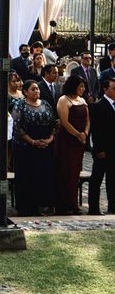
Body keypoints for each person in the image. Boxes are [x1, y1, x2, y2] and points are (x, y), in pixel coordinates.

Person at [11, 79, 56, 216]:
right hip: (25, 147)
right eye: (33, 89)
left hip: (45, 146)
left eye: (37, 89)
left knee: (42, 176)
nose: (37, 91)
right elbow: (17, 128)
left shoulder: (46, 104)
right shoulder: (19, 105)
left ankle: (41, 205)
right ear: (25, 92)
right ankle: (26, 208)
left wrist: (49, 139)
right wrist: (32, 142)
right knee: (27, 177)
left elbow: (54, 124)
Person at [55, 75, 89, 215]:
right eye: (80, 86)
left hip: (79, 142)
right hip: (67, 141)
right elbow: (65, 122)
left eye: (83, 86)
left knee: (75, 173)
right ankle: (65, 204)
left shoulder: (82, 100)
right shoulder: (64, 100)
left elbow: (88, 120)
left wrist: (85, 134)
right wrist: (77, 134)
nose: (82, 89)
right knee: (65, 172)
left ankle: (73, 202)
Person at [88, 77, 115, 215]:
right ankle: (93, 208)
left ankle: (112, 207)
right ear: (105, 89)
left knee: (113, 180)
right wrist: (98, 149)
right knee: (97, 179)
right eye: (113, 88)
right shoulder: (97, 106)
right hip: (102, 150)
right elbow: (96, 130)